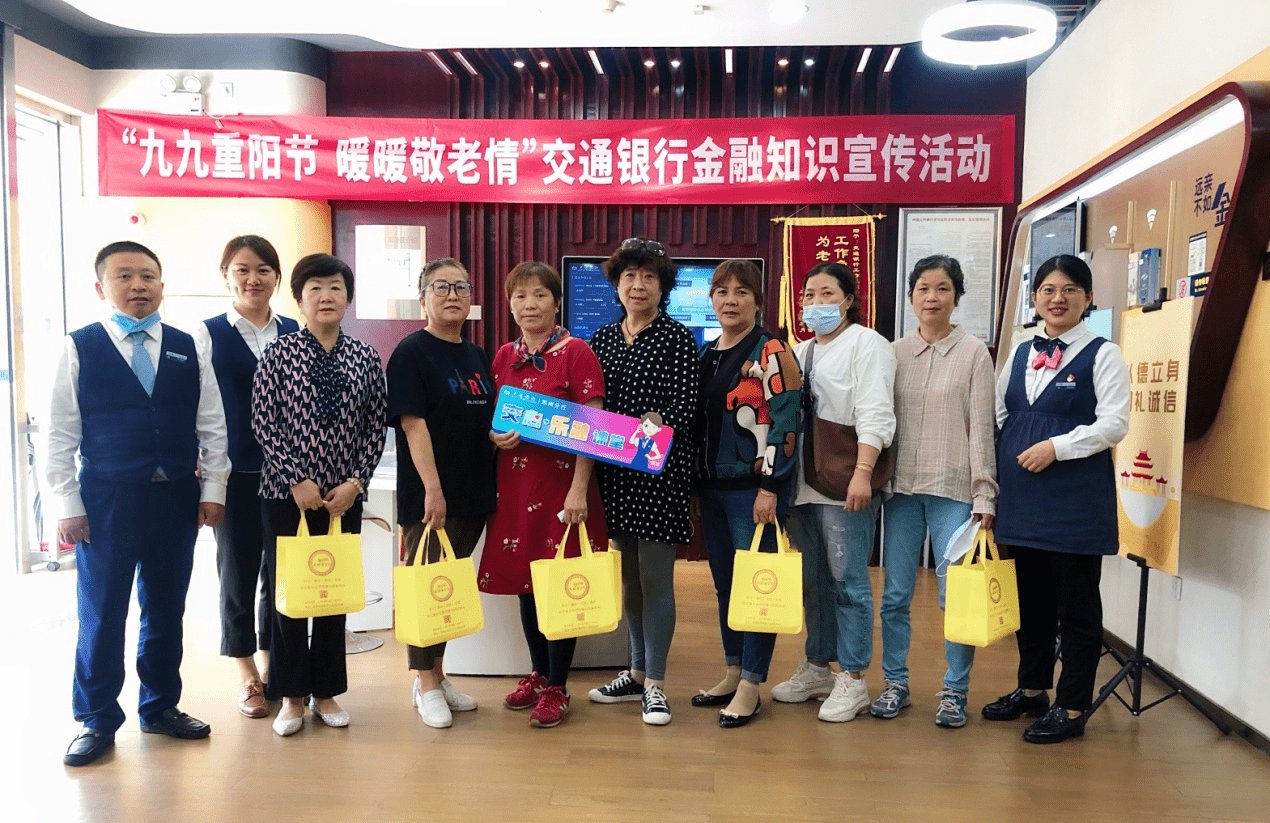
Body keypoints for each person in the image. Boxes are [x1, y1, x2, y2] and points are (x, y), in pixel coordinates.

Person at [48, 241, 230, 766]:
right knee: (103, 611)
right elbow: (59, 432)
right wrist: (66, 502)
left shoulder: (186, 346)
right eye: (124, 276)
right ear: (100, 287)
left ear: (162, 285)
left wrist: (213, 490)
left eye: (148, 276)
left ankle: (160, 706)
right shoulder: (79, 347)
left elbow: (212, 423)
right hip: (106, 498)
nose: (138, 285)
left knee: (167, 608)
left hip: (175, 496)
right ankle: (96, 718)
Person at [982, 254, 1129, 744]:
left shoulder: (1103, 354)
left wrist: (1056, 447)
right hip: (1022, 498)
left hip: (1074, 501)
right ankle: (1032, 689)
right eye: (1048, 289)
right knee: (1032, 604)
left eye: (1069, 290)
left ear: (1089, 299)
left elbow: (1114, 423)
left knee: (1077, 609)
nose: (1058, 298)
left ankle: (1072, 705)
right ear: (1035, 297)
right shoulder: (1022, 350)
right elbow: (1000, 413)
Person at [252, 253, 387, 737]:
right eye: (315, 288)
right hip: (284, 496)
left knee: (333, 593)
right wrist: (296, 478)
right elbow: (263, 421)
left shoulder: (365, 357)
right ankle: (291, 695)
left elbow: (375, 427)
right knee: (289, 597)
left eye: (335, 288)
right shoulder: (278, 353)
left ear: (348, 298)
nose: (326, 296)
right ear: (299, 299)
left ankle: (326, 692)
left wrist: (355, 483)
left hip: (342, 500)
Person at [480, 261, 609, 729]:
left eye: (539, 295)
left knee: (559, 586)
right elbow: (494, 417)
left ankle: (558, 685)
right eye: (520, 296)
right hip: (514, 487)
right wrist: (495, 436)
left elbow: (593, 426)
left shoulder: (577, 352)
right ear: (510, 305)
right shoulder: (503, 356)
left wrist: (579, 490)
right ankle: (538, 673)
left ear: (557, 302)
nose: (529, 304)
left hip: (562, 488)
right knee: (527, 583)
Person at [872, 254, 998, 728]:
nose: (932, 297)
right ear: (910, 296)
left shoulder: (974, 353)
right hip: (902, 490)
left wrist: (985, 495)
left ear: (956, 297)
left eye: (943, 288)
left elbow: (981, 429)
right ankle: (895, 683)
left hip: (954, 490)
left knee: (955, 597)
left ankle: (955, 690)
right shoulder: (894, 352)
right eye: (923, 288)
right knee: (894, 595)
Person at [772, 261, 896, 722]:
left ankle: (854, 677)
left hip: (844, 482)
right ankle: (818, 667)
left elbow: (876, 412)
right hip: (802, 484)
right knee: (813, 583)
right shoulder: (798, 351)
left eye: (827, 293)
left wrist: (863, 473)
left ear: (848, 300)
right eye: (809, 295)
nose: (816, 303)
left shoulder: (868, 343)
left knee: (848, 583)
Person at [586, 237, 699, 726]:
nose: (638, 285)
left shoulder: (678, 338)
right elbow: (590, 406)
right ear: (617, 284)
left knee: (655, 580)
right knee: (629, 581)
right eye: (629, 276)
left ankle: (656, 683)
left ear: (662, 287)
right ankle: (634, 673)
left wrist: (659, 421)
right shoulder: (601, 339)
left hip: (658, 476)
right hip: (613, 476)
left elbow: (687, 408)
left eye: (649, 277)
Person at [386, 257, 495, 730]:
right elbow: (413, 425)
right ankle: (424, 683)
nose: (453, 295)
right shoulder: (410, 353)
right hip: (432, 495)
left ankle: (439, 673)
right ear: (422, 298)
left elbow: (479, 419)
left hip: (473, 491)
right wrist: (433, 489)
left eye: (461, 287)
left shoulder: (477, 355)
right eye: (441, 287)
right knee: (426, 587)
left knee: (447, 587)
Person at [193, 235, 299, 719]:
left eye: (263, 270)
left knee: (281, 575)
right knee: (236, 573)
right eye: (242, 269)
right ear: (226, 276)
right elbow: (198, 406)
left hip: (290, 476)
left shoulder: (294, 331)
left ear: (277, 277)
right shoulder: (206, 334)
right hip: (235, 473)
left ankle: (276, 665)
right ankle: (247, 674)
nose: (253, 279)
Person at [692, 259, 802, 728]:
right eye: (722, 291)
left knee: (758, 586)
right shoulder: (706, 353)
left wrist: (770, 487)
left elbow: (787, 421)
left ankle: (752, 685)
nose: (730, 300)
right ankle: (733, 670)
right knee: (726, 586)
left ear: (758, 301)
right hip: (710, 488)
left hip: (753, 490)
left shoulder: (772, 350)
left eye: (741, 292)